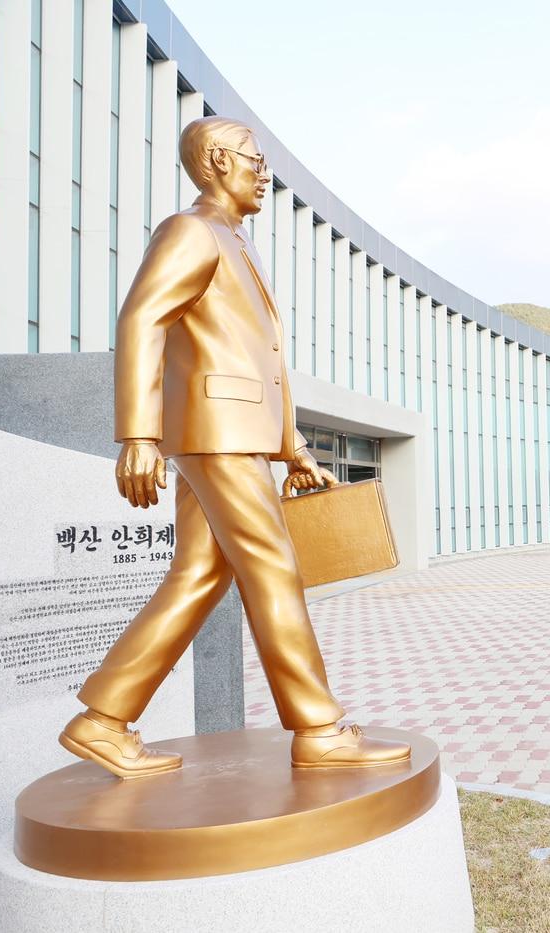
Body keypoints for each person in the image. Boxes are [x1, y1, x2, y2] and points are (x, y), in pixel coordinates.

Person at [60, 116, 409, 777]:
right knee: (273, 568)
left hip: (230, 432)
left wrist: (292, 446)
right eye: (254, 159)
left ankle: (102, 719)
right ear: (218, 162)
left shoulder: (233, 240)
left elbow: (259, 360)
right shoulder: (190, 231)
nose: (264, 172)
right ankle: (316, 726)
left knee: (198, 575)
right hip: (215, 434)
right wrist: (138, 433)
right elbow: (142, 317)